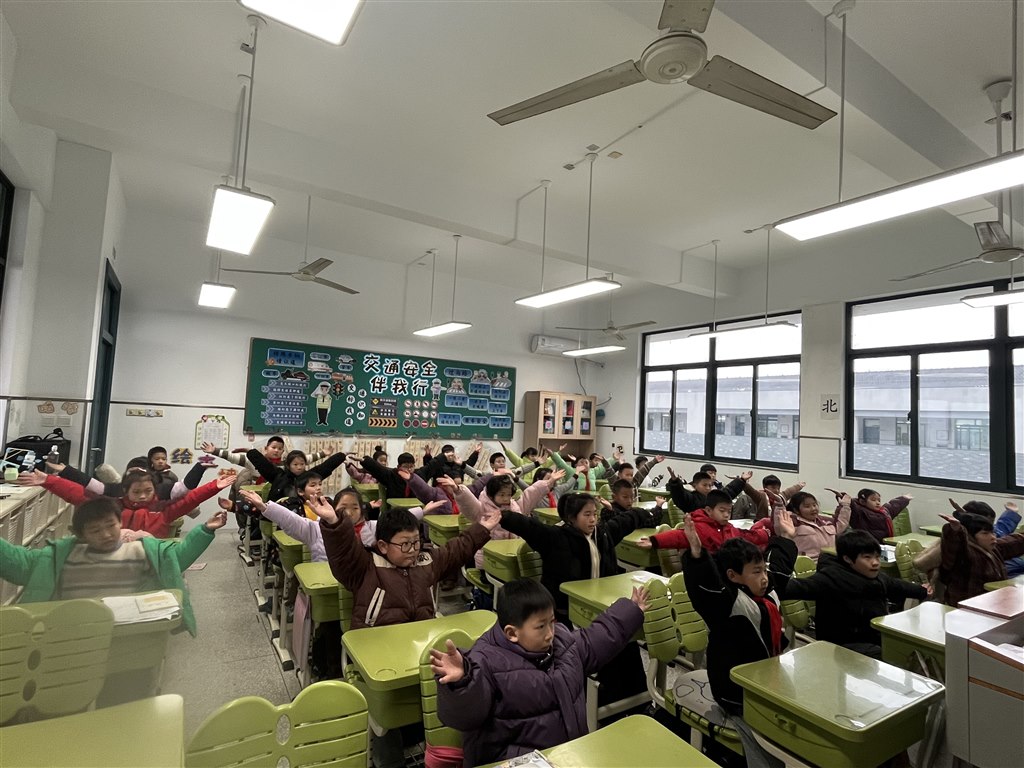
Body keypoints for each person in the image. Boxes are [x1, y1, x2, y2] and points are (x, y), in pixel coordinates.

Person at [320, 502, 500, 768]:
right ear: (383, 546)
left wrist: (482, 528)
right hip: (377, 656)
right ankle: (389, 761)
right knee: (387, 713)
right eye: (404, 544)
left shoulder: (426, 561)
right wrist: (334, 524)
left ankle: (446, 749)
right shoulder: (365, 567)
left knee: (462, 680)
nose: (413, 550)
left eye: (416, 542)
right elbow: (343, 552)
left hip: (418, 650)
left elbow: (456, 550)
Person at [432, 578, 648, 767]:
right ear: (512, 633)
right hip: (514, 761)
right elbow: (465, 717)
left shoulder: (561, 642)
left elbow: (594, 640)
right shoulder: (484, 662)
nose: (550, 633)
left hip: (566, 755)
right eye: (541, 626)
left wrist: (630, 611)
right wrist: (462, 682)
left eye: (552, 622)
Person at [0, 496, 227, 636]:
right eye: (95, 530)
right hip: (71, 635)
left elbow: (177, 558)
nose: (106, 534)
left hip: (125, 634)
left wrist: (205, 529)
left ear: (120, 522)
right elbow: (18, 563)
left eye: (111, 525)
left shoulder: (139, 551)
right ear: (80, 535)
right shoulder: (60, 557)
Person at [681, 509, 798, 715]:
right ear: (733, 576)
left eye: (763, 570)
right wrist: (697, 557)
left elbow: (780, 568)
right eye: (756, 572)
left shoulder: (766, 592)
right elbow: (705, 588)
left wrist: (786, 538)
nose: (764, 578)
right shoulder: (728, 602)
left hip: (765, 679)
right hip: (735, 692)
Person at [778, 529, 929, 658]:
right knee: (896, 655)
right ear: (848, 559)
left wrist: (924, 591)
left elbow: (897, 585)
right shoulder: (831, 579)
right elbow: (791, 588)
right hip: (841, 647)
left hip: (873, 637)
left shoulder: (876, 577)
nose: (875, 562)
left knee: (911, 646)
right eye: (867, 557)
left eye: (877, 556)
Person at [18, 468, 232, 538]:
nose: (142, 496)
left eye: (148, 491)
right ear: (126, 491)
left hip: (151, 558)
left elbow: (191, 498)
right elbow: (78, 495)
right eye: (136, 492)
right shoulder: (113, 507)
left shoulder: (162, 510)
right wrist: (48, 480)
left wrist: (215, 485)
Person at [445, 471, 564, 568]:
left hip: (511, 557)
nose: (506, 498)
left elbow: (531, 494)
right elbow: (468, 502)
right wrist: (457, 489)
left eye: (508, 494)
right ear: (491, 495)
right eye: (501, 495)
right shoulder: (482, 509)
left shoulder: (515, 507)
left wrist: (549, 482)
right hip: (489, 561)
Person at [640, 488, 770, 555]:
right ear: (708, 510)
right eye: (722, 510)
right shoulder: (699, 527)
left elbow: (746, 535)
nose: (726, 515)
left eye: (729, 511)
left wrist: (765, 534)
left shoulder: (730, 528)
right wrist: (654, 541)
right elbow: (678, 536)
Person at [938, 511, 1024, 605]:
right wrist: (955, 530)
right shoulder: (964, 554)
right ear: (970, 536)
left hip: (992, 603)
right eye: (985, 533)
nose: (993, 537)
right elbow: (953, 545)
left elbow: (1013, 542)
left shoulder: (993, 549)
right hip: (966, 607)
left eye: (992, 532)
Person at [247, 447, 346, 501]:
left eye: (302, 464)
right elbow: (264, 465)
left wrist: (342, 456)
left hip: (304, 513)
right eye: (295, 464)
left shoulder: (309, 476)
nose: (299, 467)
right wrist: (251, 452)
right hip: (280, 514)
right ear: (288, 465)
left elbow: (326, 467)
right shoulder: (279, 475)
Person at [782, 490, 851, 561]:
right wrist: (781, 499)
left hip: (830, 561)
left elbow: (841, 523)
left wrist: (844, 505)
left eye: (814, 505)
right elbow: (779, 519)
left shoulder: (826, 521)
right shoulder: (792, 521)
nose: (813, 509)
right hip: (805, 563)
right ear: (796, 510)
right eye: (807, 506)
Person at [843, 487, 912, 543]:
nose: (878, 503)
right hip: (869, 545)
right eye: (873, 500)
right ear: (862, 502)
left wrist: (904, 499)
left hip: (885, 543)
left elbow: (893, 506)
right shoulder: (860, 513)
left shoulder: (884, 511)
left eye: (879, 500)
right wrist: (844, 497)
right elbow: (852, 506)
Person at [665, 467, 747, 513]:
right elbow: (679, 495)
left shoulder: (713, 497)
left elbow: (728, 491)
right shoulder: (691, 498)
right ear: (695, 485)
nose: (708, 488)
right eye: (704, 485)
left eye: (710, 485)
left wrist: (741, 480)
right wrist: (675, 482)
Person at [733, 474, 806, 521]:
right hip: (762, 525)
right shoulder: (761, 496)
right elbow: (750, 490)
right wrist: (741, 481)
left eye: (778, 488)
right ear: (765, 487)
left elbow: (790, 491)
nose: (776, 490)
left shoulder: (780, 496)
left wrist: (799, 486)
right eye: (773, 487)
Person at [599, 478, 665, 526]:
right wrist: (609, 509)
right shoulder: (607, 511)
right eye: (625, 497)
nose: (630, 501)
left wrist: (658, 506)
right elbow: (614, 523)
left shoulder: (635, 512)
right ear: (614, 497)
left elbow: (651, 521)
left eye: (632, 497)